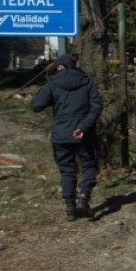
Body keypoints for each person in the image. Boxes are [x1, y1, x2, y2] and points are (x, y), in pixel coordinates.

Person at [31, 54, 103, 222]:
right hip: (84, 135)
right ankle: (84, 199)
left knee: (67, 171)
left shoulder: (53, 84)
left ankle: (70, 209)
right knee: (90, 167)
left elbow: (36, 106)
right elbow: (97, 106)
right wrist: (83, 127)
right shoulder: (87, 83)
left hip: (61, 135)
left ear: (60, 67)